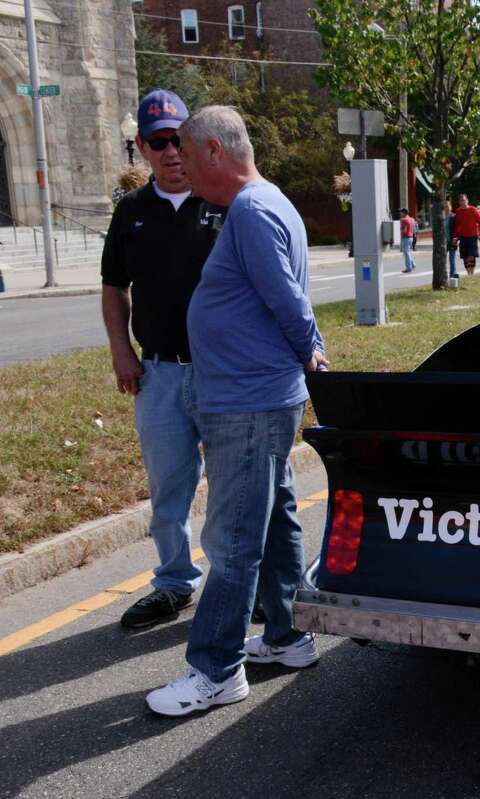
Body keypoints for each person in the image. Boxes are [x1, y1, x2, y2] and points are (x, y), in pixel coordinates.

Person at [146, 106, 328, 717]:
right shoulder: (264, 203)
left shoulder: (249, 210)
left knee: (231, 542)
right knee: (274, 522)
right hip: (257, 396)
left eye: (189, 156)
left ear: (216, 151)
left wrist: (313, 354)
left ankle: (216, 671)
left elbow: (287, 298)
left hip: (249, 402)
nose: (182, 167)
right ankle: (286, 635)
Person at [101, 89, 225, 630]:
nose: (172, 151)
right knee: (168, 487)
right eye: (159, 142)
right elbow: (113, 286)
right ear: (142, 148)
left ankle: (236, 583)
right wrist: (120, 350)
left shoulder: (222, 202)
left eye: (178, 138)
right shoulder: (130, 212)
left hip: (223, 372)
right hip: (159, 373)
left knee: (231, 486)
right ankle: (175, 582)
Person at [452, 194, 480, 275]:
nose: (462, 202)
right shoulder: (458, 211)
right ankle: (468, 273)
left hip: (472, 236)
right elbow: (456, 225)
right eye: (461, 201)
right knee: (465, 256)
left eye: (463, 200)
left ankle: (472, 273)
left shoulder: (473, 210)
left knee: (471, 255)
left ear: (467, 200)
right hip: (462, 237)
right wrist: (455, 237)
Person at [398, 208, 416, 273]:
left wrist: (400, 230)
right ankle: (413, 264)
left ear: (404, 213)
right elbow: (414, 229)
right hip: (411, 237)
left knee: (406, 253)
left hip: (405, 237)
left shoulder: (404, 220)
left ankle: (409, 268)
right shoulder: (412, 219)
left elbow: (404, 230)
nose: (400, 213)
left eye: (401, 212)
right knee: (408, 252)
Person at [443, 200, 458, 277]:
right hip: (443, 242)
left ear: (451, 207)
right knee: (442, 260)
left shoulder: (454, 217)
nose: (447, 208)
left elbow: (457, 228)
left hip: (452, 240)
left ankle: (452, 275)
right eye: (445, 207)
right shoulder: (442, 218)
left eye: (448, 206)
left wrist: (456, 238)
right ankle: (444, 275)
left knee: (452, 259)